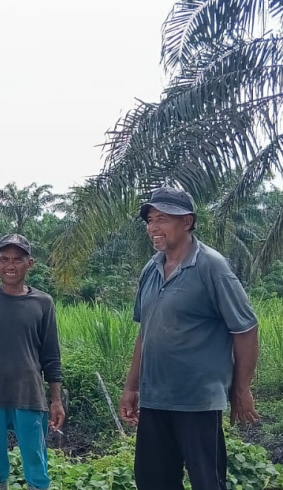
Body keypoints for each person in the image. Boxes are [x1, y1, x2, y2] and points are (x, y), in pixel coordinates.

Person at [119, 186, 260, 490]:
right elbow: (146, 332)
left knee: (206, 481)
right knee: (154, 481)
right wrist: (131, 387)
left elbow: (245, 328)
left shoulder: (212, 266)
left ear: (187, 222)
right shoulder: (151, 269)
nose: (154, 228)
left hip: (197, 401)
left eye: (163, 219)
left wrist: (241, 388)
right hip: (155, 398)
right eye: (150, 220)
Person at [0, 233, 65, 490]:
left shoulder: (43, 302)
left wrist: (56, 400)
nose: (10, 265)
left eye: (17, 260)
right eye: (4, 259)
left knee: (35, 462)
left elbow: (51, 356)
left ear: (29, 264)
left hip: (28, 394)